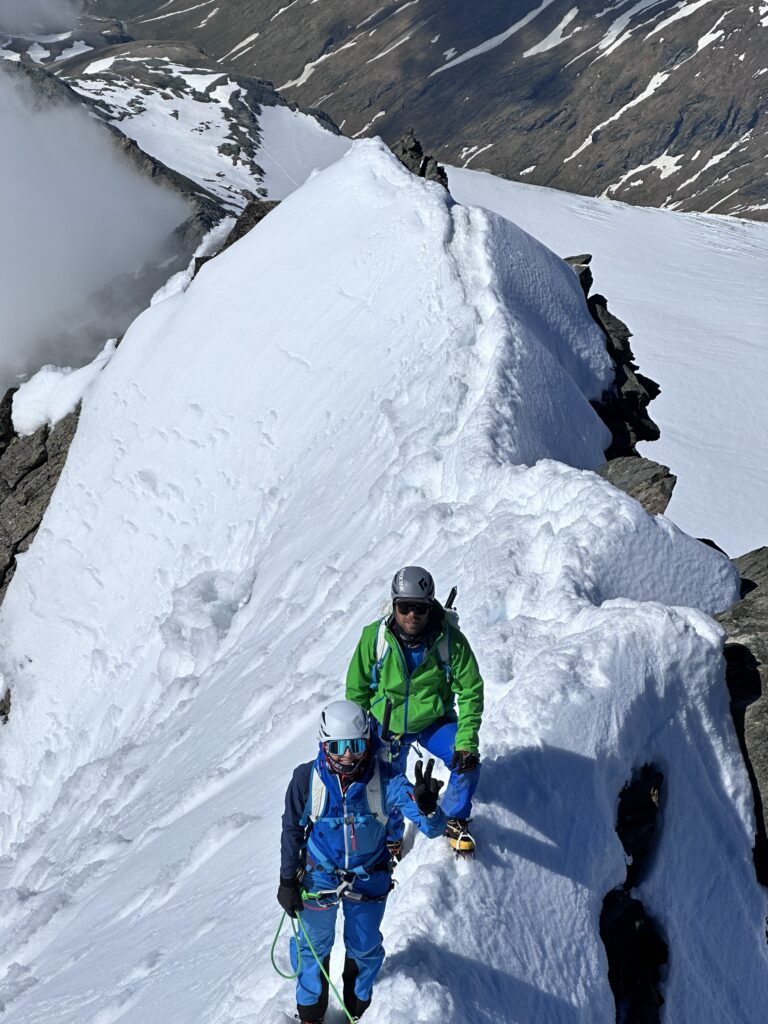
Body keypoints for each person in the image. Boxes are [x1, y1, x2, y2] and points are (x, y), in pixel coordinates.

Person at [278, 699, 446, 1024]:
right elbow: (292, 830)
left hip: (369, 877)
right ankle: (310, 1016)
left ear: (367, 742)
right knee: (312, 946)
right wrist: (287, 880)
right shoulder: (306, 781)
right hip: (319, 876)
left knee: (364, 947)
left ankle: (359, 1013)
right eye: (337, 747)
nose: (347, 756)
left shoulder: (386, 781)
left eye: (355, 745)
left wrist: (427, 808)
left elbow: (434, 828)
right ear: (324, 744)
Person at [345, 565, 483, 854]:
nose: (411, 614)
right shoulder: (376, 638)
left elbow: (471, 689)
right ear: (394, 605)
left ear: (430, 606)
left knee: (467, 761)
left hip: (434, 721)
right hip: (388, 724)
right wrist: (356, 738)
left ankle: (455, 818)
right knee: (383, 780)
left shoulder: (449, 641)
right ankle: (392, 834)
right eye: (404, 606)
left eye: (419, 608)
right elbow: (357, 691)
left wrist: (467, 741)